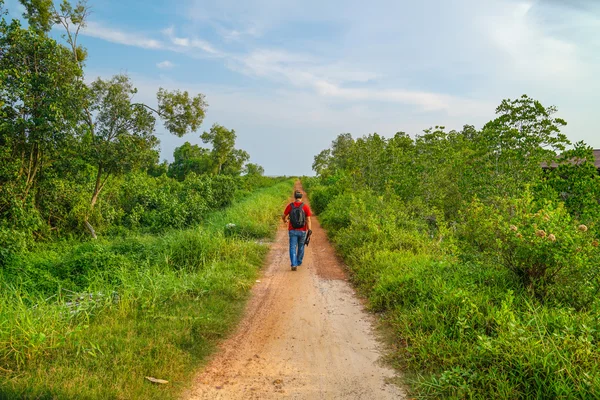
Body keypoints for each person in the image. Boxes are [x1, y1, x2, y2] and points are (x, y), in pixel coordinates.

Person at [282, 190, 312, 271]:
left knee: (292, 247)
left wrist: (285, 221)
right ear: (301, 197)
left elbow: (283, 215)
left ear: (295, 197)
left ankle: (294, 264)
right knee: (301, 246)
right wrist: (309, 230)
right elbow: (308, 219)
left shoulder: (290, 206)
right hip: (302, 230)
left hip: (292, 230)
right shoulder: (305, 207)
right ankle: (298, 262)